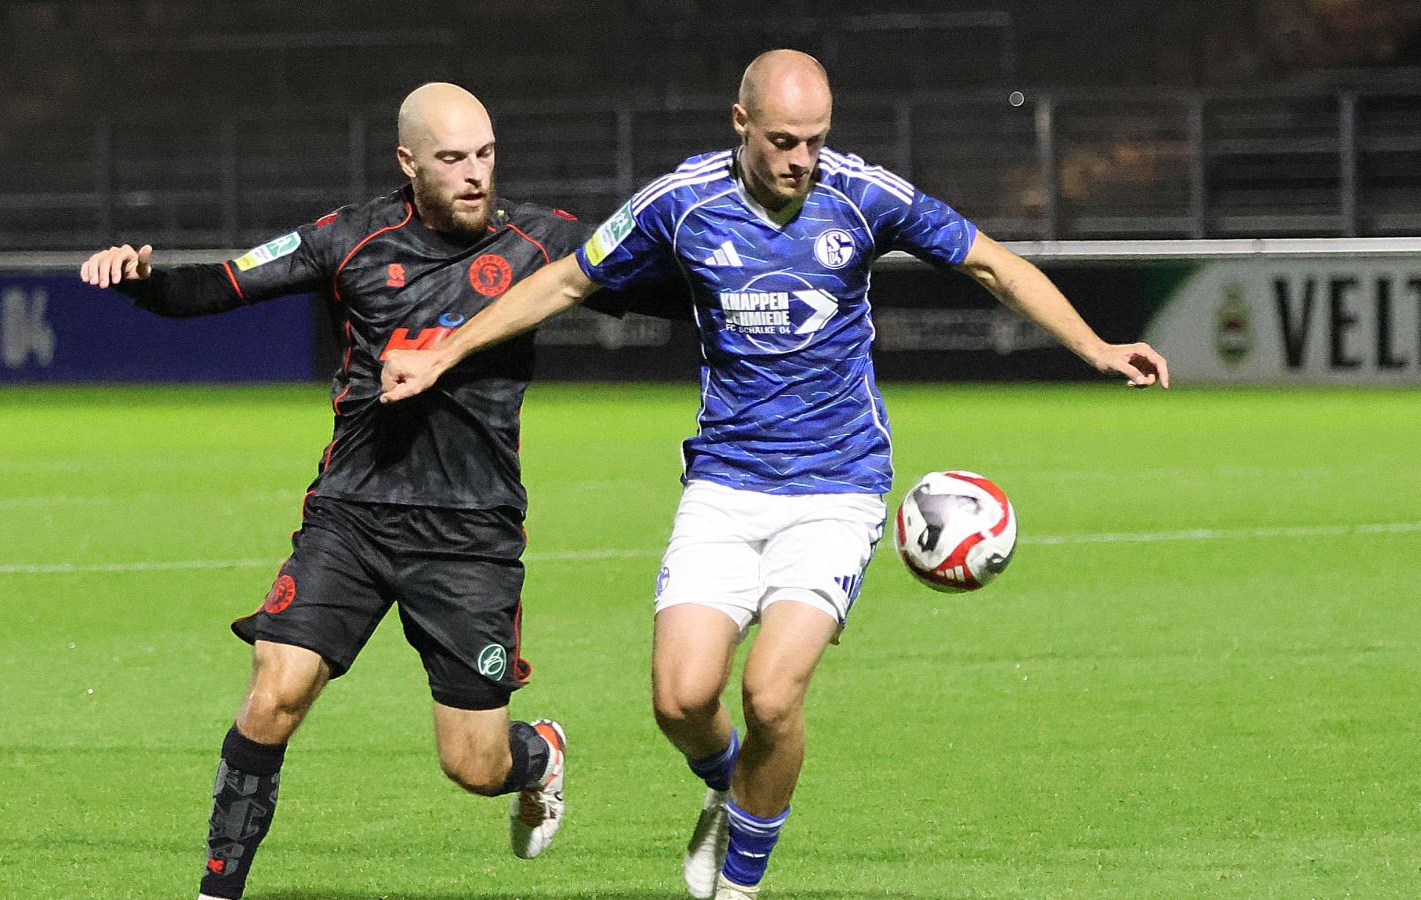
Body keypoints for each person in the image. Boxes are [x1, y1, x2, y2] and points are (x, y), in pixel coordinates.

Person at [378, 51, 1170, 899]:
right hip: (724, 484)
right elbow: (568, 281)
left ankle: (740, 885)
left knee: (770, 694)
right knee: (681, 702)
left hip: (837, 488)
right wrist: (445, 352)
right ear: (741, 124)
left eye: (816, 141)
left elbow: (993, 264)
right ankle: (732, 786)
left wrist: (1096, 345)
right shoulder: (681, 204)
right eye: (784, 140)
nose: (801, 160)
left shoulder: (863, 196)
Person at [79, 82, 672, 900]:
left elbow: (661, 291)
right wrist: (143, 279)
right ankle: (216, 890)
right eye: (453, 158)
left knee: (473, 765)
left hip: (471, 534)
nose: (474, 175)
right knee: (272, 694)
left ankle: (539, 754)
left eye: (486, 155)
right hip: (352, 517)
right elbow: (218, 284)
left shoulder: (542, 244)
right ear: (408, 162)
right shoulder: (351, 239)